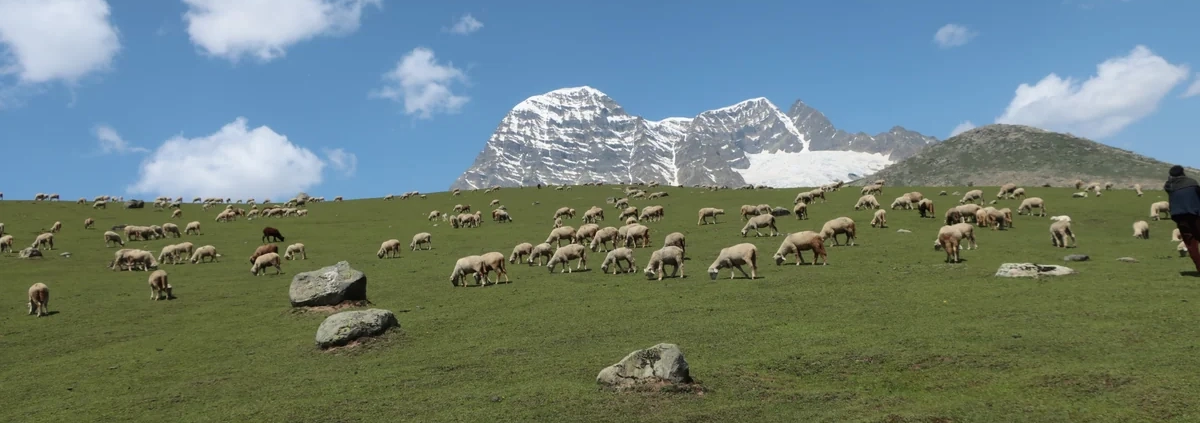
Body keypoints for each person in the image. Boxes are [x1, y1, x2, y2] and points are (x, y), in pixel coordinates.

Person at [1165, 165, 1200, 272]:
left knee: (1190, 244)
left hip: (1180, 217)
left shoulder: (1169, 185)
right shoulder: (1192, 182)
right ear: (1183, 172)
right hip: (1195, 215)